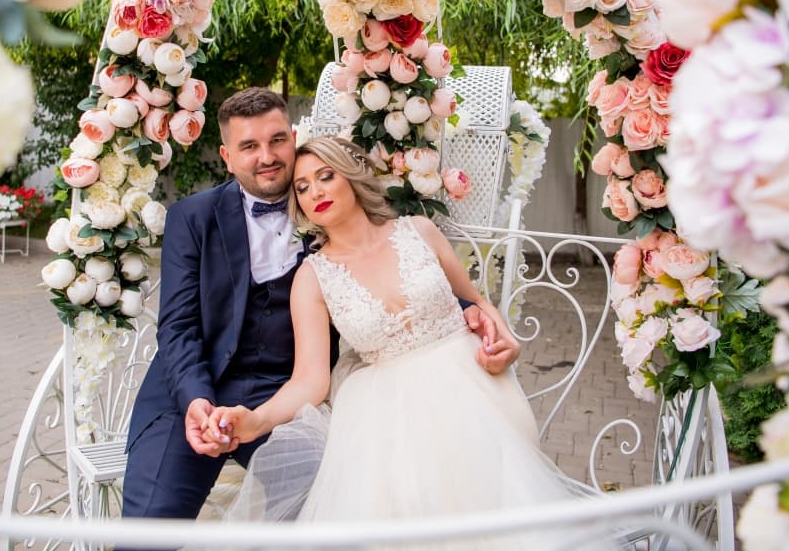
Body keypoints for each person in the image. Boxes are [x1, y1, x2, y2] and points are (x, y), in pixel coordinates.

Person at [121, 90, 513, 543]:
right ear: (227, 158)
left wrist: (475, 314)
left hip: (286, 393)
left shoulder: (327, 207)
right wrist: (196, 402)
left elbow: (398, 274)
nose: (267, 157)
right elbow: (178, 328)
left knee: (338, 506)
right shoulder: (192, 218)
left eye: (276, 141)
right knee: (148, 530)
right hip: (192, 392)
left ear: (292, 138)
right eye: (249, 147)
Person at [205, 136, 617, 550]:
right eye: (302, 187)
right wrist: (255, 420)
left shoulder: (419, 231)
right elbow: (309, 380)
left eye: (325, 176)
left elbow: (475, 303)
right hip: (386, 417)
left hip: (470, 390)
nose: (315, 192)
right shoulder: (312, 278)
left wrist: (504, 338)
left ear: (351, 176)